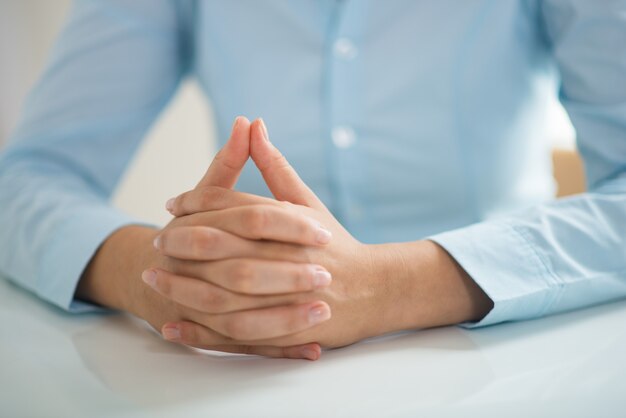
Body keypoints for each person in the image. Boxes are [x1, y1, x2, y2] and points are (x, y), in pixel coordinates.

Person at [0, 1, 625, 361]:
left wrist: (393, 286)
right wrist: (159, 274)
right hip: (244, 375)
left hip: (515, 359)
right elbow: (25, 179)